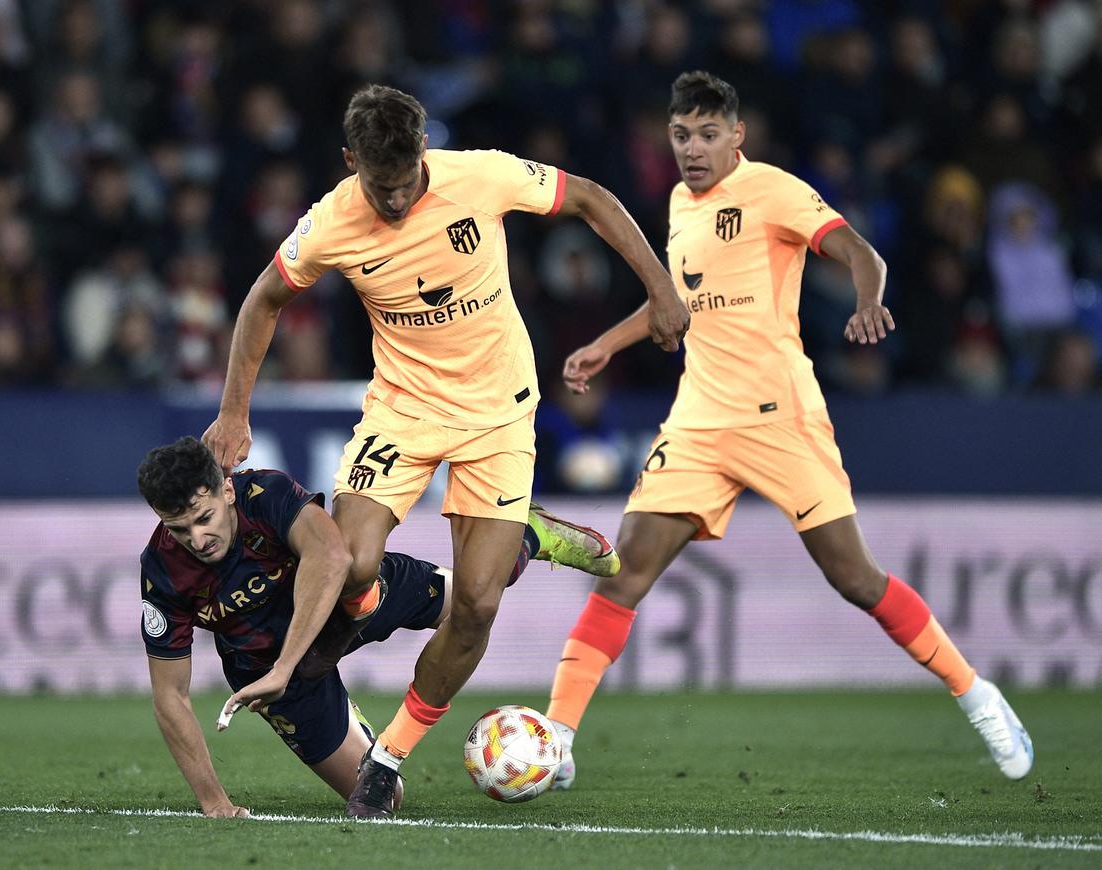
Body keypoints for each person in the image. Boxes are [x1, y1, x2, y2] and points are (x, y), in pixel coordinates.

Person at [202, 84, 688, 817]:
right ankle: (476, 557)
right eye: (378, 188)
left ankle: (387, 756)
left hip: (496, 415)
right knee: (350, 563)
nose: (393, 204)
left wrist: (659, 289)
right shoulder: (332, 219)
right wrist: (233, 410)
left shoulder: (481, 176)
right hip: (402, 413)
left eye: (403, 187)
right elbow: (263, 299)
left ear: (423, 153)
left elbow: (588, 197)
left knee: (478, 605)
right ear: (349, 162)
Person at [543, 71, 1034, 790]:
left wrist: (868, 302)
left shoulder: (775, 190)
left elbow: (864, 252)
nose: (693, 149)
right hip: (700, 419)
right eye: (682, 135)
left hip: (781, 417)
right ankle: (556, 739)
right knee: (624, 572)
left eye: (709, 134)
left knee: (855, 579)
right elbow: (681, 305)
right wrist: (607, 346)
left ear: (738, 135)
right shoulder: (680, 204)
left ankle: (976, 694)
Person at [136, 436, 619, 816]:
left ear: (226, 488)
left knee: (472, 602)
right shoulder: (163, 569)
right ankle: (354, 726)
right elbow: (170, 696)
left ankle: (528, 536)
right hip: (274, 670)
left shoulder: (265, 494)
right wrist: (213, 801)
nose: (197, 539)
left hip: (349, 606)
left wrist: (287, 664)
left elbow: (332, 555)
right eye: (179, 529)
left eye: (204, 519)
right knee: (389, 797)